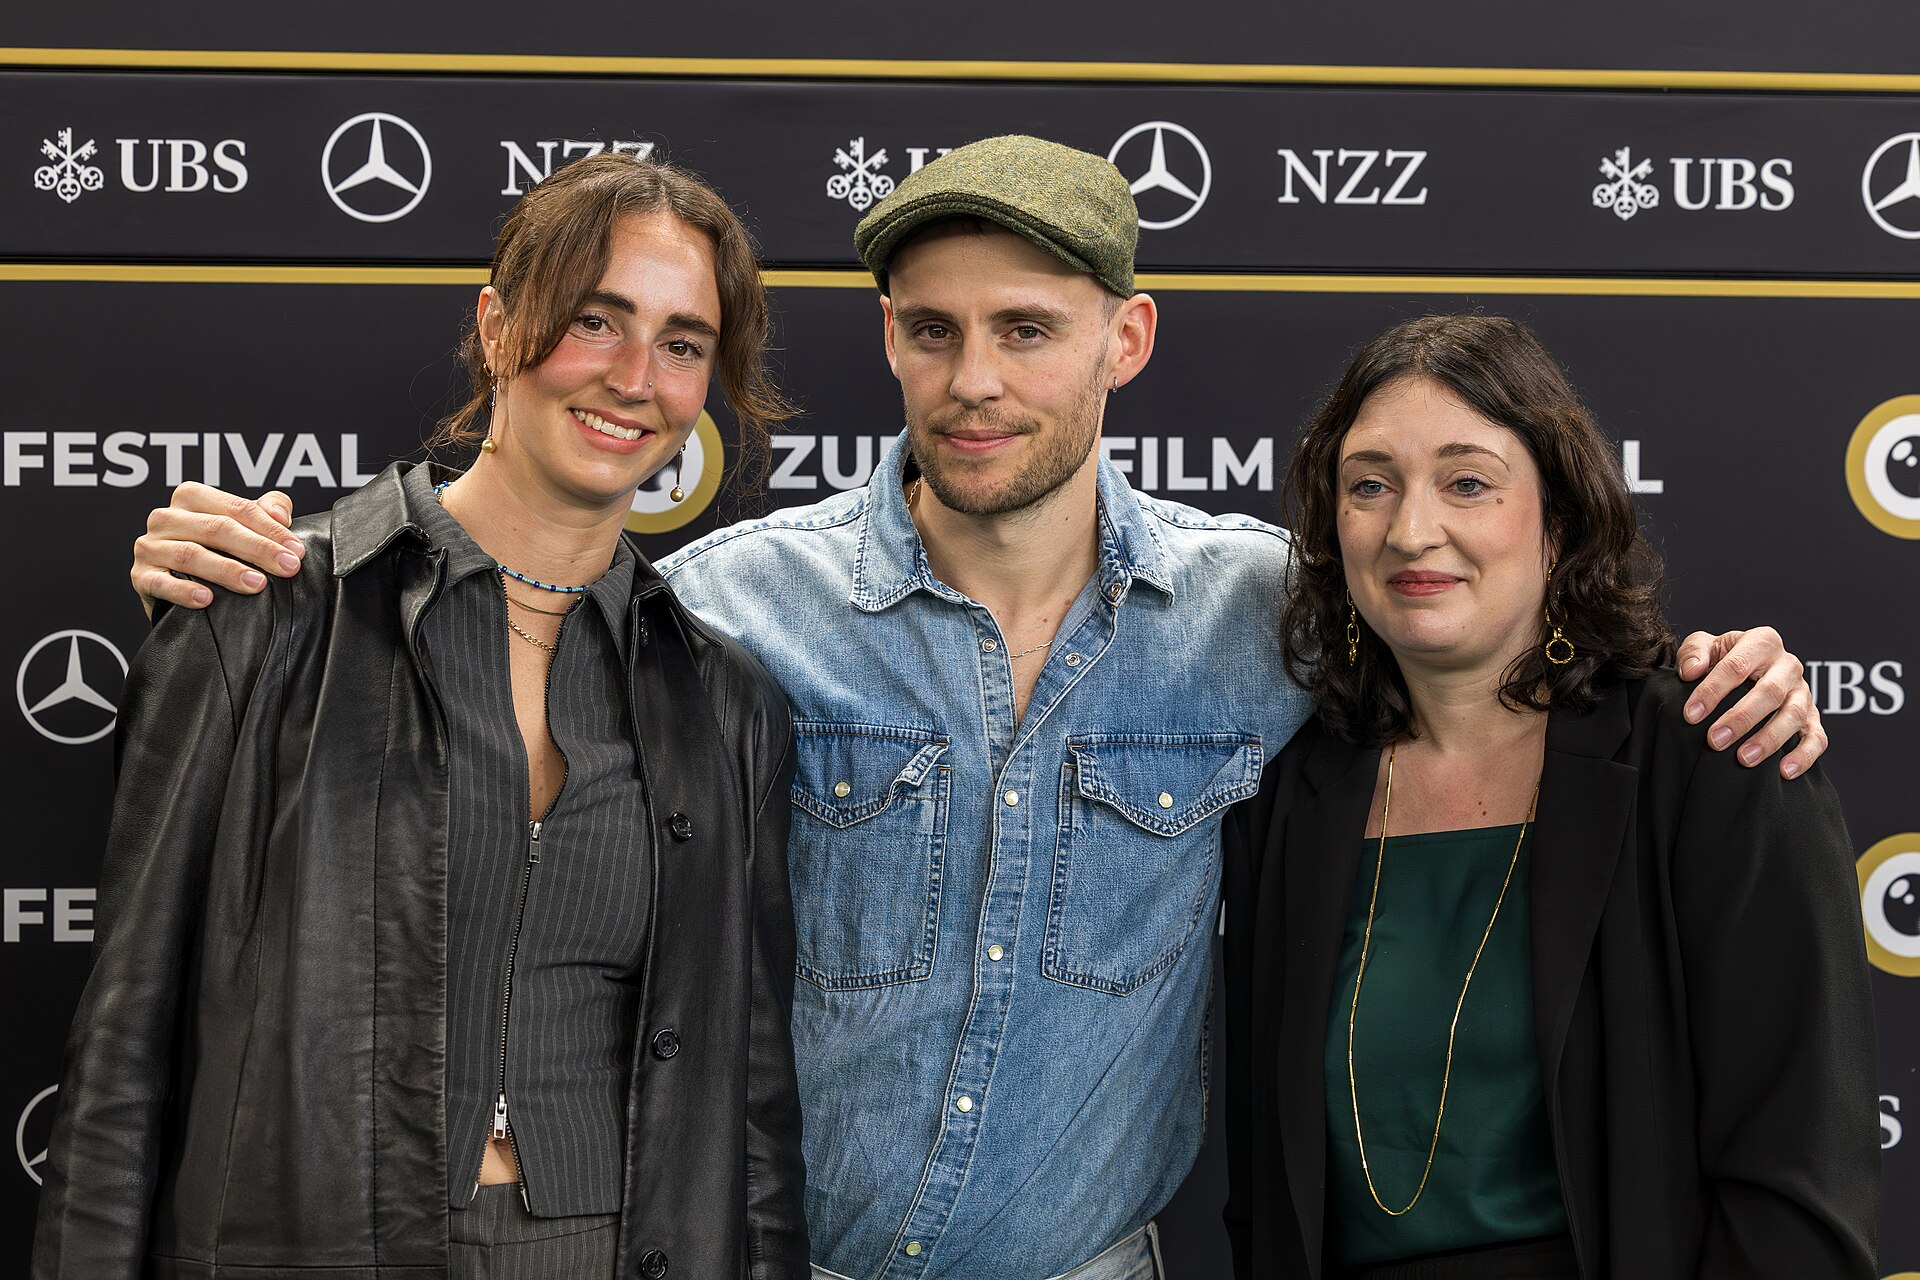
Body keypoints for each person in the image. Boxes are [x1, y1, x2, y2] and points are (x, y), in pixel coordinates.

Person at [125, 138, 1826, 1280]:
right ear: (888, 343)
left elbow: (1493, 650)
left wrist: (1706, 677)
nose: (977, 382)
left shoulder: (1275, 613)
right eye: (932, 334)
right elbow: (475, 668)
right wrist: (280, 553)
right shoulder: (729, 606)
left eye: (1029, 329)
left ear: (1128, 339)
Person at [36, 153, 808, 1280]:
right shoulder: (264, 619)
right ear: (498, 326)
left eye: (683, 343)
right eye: (596, 320)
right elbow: (120, 1059)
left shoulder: (721, 699)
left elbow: (750, 1110)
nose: (637, 376)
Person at [1222, 314, 1878, 1280]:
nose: (1411, 528)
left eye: (1468, 482)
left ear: (1559, 519)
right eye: (1369, 485)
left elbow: (1796, 1186)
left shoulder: (1710, 750)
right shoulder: (1290, 794)